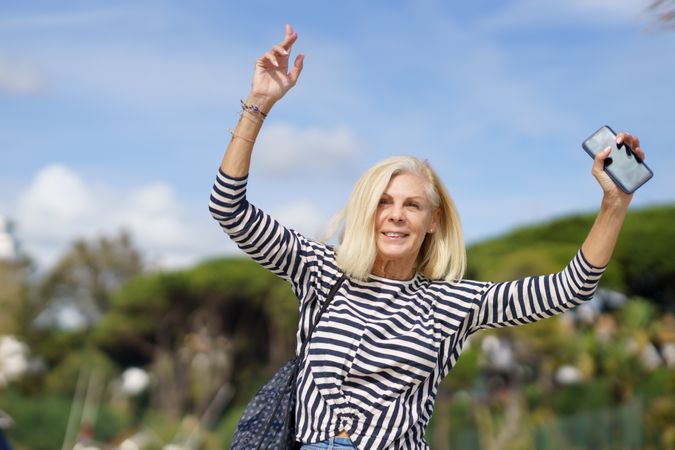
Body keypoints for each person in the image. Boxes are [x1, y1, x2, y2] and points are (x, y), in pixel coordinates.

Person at [209, 24, 646, 450]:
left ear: (433, 220)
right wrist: (258, 104)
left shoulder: (451, 304)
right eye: (384, 202)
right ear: (368, 210)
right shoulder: (322, 272)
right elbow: (228, 208)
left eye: (411, 205)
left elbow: (569, 289)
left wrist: (614, 204)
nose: (396, 216)